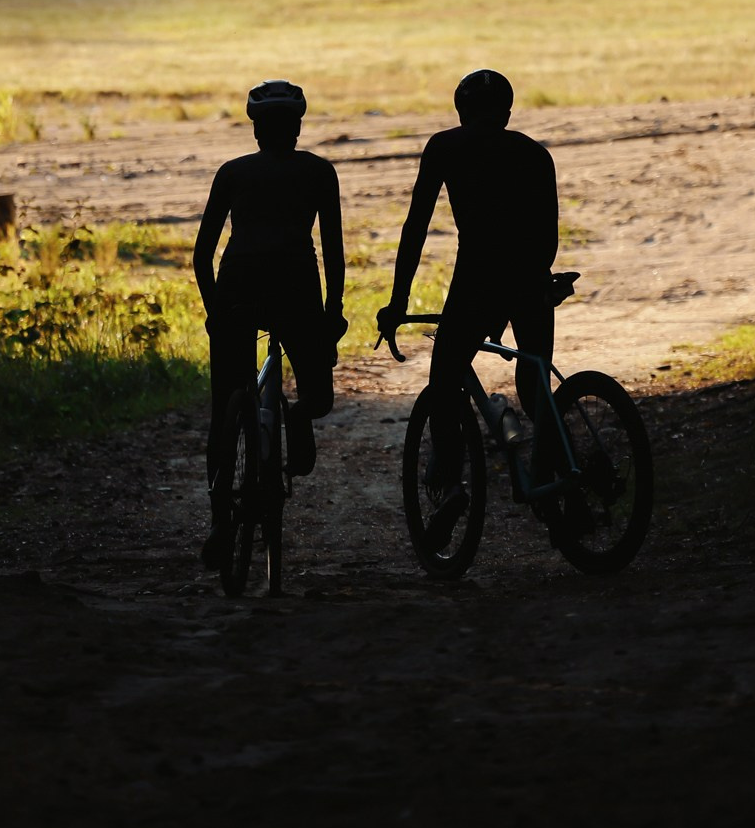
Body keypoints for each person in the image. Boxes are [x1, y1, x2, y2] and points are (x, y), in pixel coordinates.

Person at [376, 69, 561, 483]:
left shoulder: (446, 146)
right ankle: (558, 478)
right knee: (536, 387)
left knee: (444, 378)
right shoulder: (535, 154)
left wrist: (399, 301)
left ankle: (448, 478)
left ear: (460, 112)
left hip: (478, 276)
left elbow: (416, 227)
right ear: (508, 113)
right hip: (531, 276)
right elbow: (548, 237)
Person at [194, 79, 346, 566]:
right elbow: (335, 254)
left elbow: (202, 256)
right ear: (299, 126)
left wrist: (213, 309)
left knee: (224, 411)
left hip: (237, 290)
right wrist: (333, 312)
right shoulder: (320, 172)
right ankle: (298, 419)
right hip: (298, 293)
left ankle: (221, 521)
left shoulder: (232, 173)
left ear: (254, 128)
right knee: (317, 396)